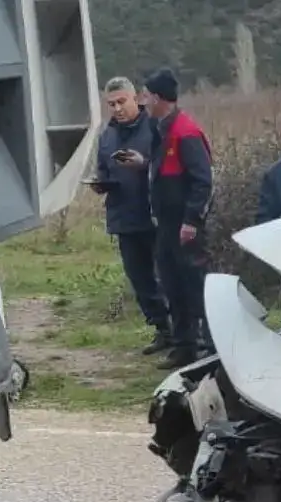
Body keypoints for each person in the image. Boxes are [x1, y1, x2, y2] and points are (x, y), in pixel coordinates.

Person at [116, 68, 214, 370]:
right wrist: (144, 164)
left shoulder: (185, 132)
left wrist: (192, 220)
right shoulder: (162, 129)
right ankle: (184, 348)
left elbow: (202, 181)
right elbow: (165, 170)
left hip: (184, 227)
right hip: (165, 226)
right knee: (173, 286)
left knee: (195, 288)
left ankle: (211, 347)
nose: (144, 102)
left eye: (146, 96)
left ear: (158, 98)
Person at [93, 77, 171, 356]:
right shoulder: (106, 136)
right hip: (124, 218)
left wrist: (144, 165)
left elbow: (170, 170)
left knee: (167, 277)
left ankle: (183, 331)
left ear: (135, 98)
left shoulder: (155, 129)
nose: (117, 109)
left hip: (155, 216)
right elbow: (102, 170)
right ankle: (162, 329)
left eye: (121, 102)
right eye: (111, 104)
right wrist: (100, 183)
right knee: (140, 280)